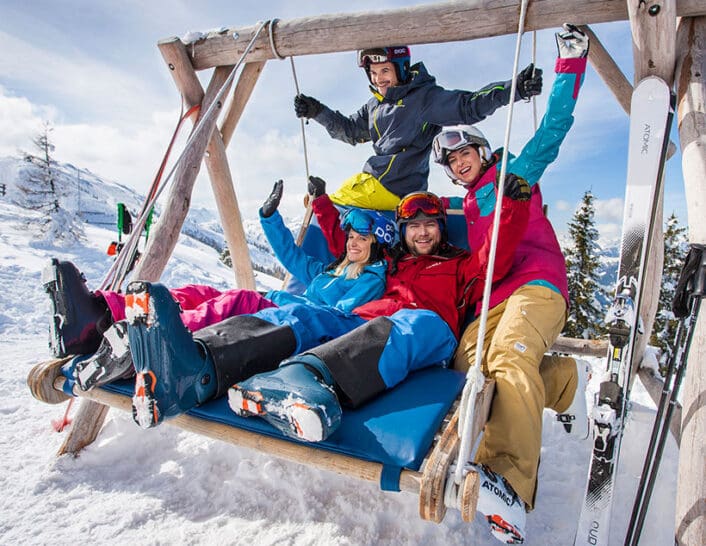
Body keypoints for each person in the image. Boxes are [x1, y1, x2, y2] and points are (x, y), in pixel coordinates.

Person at [227, 187, 529, 523]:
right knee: (314, 316)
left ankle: (310, 377)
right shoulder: (391, 263)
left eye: (430, 224)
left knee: (404, 325)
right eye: (414, 226)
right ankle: (218, 359)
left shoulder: (460, 264)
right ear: (403, 231)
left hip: (429, 329)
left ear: (441, 228)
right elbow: (346, 241)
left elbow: (495, 259)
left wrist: (513, 206)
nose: (423, 231)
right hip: (368, 321)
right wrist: (323, 203)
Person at [426, 24, 592, 543]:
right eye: (450, 161)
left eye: (463, 150)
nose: (459, 160)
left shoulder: (514, 173)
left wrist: (569, 64)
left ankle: (509, 482)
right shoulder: (463, 205)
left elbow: (554, 128)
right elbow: (417, 223)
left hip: (537, 284)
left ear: (479, 147)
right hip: (493, 299)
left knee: (509, 359)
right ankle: (564, 380)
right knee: (466, 361)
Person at [45, 180, 394, 397]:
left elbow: (336, 316)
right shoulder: (328, 269)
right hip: (275, 302)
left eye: (362, 239)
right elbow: (290, 255)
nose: (353, 244)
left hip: (285, 314)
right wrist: (269, 217)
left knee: (234, 301)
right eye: (350, 238)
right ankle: (99, 316)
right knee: (200, 294)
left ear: (376, 245)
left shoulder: (370, 280)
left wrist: (282, 300)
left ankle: (159, 336)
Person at [293, 46, 543, 209]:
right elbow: (350, 131)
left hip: (393, 187)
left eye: (385, 71)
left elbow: (468, 106)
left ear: (400, 69)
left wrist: (515, 89)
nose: (379, 79)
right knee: (317, 207)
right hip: (372, 183)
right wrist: (318, 112)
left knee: (322, 208)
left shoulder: (422, 98)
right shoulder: (374, 106)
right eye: (373, 73)